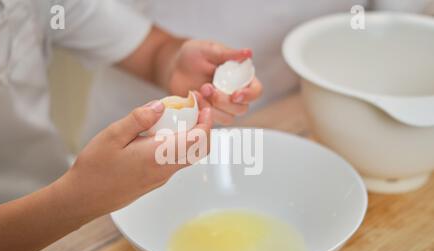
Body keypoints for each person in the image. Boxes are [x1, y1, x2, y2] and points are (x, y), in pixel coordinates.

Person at [0, 0, 262, 251]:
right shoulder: (74, 200)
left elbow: (149, 49)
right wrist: (80, 197)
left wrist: (173, 64)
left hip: (53, 213)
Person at [81, 0, 434, 145]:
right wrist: (163, 58)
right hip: (144, 117)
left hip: (294, 116)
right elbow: (74, 13)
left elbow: (391, 28)